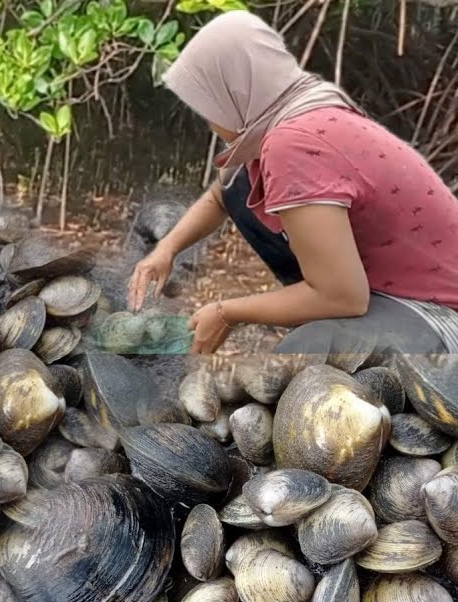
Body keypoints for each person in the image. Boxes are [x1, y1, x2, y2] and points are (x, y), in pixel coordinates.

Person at [126, 9, 458, 356]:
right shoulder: (296, 106)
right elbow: (221, 196)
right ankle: (314, 304)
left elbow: (342, 296)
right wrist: (166, 249)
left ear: (234, 91)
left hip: (439, 311)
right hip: (379, 288)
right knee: (238, 181)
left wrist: (226, 313)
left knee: (304, 354)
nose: (210, 121)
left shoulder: (293, 144)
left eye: (208, 103)